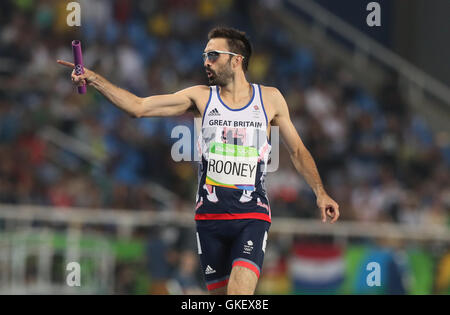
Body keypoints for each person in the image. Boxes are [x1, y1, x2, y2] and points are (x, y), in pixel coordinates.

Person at [57, 27, 340, 295]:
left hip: (250, 217)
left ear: (236, 60)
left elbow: (297, 151)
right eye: (205, 55)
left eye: (213, 55)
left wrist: (320, 192)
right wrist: (95, 79)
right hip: (209, 220)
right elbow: (138, 107)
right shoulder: (200, 97)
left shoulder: (270, 99)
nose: (206, 61)